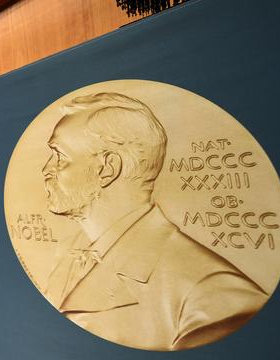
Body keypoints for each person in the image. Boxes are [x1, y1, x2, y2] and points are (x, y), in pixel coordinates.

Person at [41, 92, 267, 350]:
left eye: (59, 156)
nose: (46, 170)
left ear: (107, 168)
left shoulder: (213, 296)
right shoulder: (66, 257)